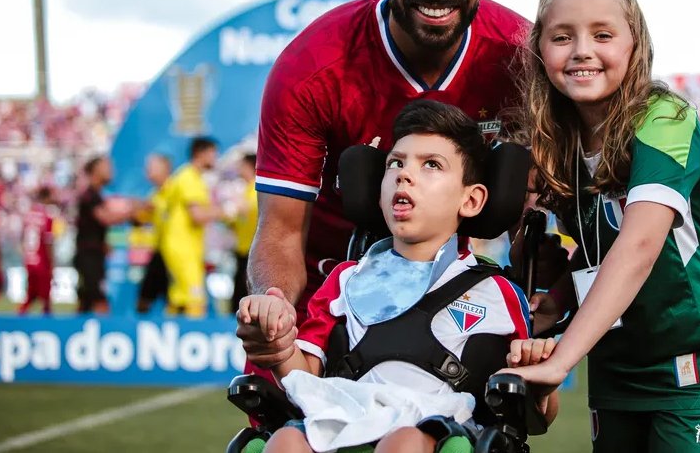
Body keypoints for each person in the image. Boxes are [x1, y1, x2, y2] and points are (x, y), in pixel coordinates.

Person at [243, 0, 531, 372]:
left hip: (454, 292)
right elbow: (282, 230)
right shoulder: (311, 65)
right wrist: (276, 320)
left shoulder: (523, 59)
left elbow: (548, 202)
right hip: (326, 298)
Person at [503, 0, 700, 452]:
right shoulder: (555, 140)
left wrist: (560, 361)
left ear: (634, 44)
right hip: (616, 356)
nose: (581, 50)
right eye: (562, 36)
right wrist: (551, 302)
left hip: (698, 356)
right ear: (540, 48)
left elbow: (639, 246)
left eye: (602, 34)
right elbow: (597, 252)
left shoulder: (666, 118)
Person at [239, 100, 557, 453]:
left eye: (431, 165)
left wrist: (539, 383)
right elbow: (308, 379)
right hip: (346, 415)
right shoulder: (346, 280)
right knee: (284, 441)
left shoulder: (496, 292)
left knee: (403, 442)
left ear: (471, 200)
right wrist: (280, 348)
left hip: (438, 427)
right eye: (396, 163)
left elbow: (534, 418)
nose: (405, 174)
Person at [162, 136, 225, 317]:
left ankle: (168, 336)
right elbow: (197, 215)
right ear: (200, 153)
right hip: (183, 247)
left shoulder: (188, 176)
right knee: (196, 300)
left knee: (178, 298)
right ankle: (192, 337)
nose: (216, 158)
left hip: (185, 247)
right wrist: (226, 211)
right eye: (213, 153)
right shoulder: (189, 178)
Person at [74, 156, 136, 314]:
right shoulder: (90, 196)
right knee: (99, 301)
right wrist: (132, 212)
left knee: (86, 301)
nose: (111, 171)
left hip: (95, 255)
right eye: (106, 167)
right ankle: (107, 334)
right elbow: (105, 218)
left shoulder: (97, 195)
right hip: (89, 257)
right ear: (95, 171)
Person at [135, 153, 173, 314]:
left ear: (165, 168)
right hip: (159, 252)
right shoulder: (154, 195)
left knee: (174, 301)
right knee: (144, 299)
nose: (147, 171)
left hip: (174, 255)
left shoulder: (174, 191)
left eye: (151, 167)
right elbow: (139, 219)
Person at [19, 186, 57, 315]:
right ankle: (47, 328)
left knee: (31, 295)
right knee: (45, 298)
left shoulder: (29, 214)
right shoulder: (47, 216)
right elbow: (48, 242)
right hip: (42, 262)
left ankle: (18, 319)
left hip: (29, 260)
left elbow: (23, 237)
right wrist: (52, 263)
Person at [228, 153, 257, 313]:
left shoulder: (256, 191)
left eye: (241, 166)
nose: (239, 170)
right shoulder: (245, 191)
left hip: (252, 252)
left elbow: (248, 210)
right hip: (242, 250)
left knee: (246, 295)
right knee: (238, 296)